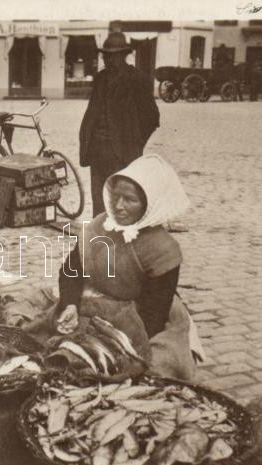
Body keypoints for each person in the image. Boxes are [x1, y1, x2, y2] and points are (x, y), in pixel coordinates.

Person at [55, 154, 204, 381]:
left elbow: (153, 315)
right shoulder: (98, 226)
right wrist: (71, 304)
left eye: (129, 199)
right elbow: (70, 270)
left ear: (148, 205)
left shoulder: (163, 249)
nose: (118, 206)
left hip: (142, 317)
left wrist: (112, 338)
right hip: (96, 302)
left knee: (152, 365)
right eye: (116, 196)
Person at [79, 31, 160, 216]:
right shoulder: (100, 79)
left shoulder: (136, 79)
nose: (108, 60)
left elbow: (151, 117)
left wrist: (134, 141)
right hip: (97, 150)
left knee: (120, 200)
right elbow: (93, 111)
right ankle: (100, 232)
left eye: (112, 56)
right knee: (99, 199)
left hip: (122, 153)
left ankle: (120, 233)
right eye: (106, 55)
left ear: (123, 55)